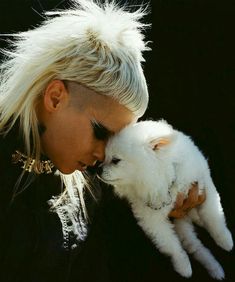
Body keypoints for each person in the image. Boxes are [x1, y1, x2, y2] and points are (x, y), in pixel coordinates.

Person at [0, 1, 205, 281]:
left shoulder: (93, 187)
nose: (105, 153)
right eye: (101, 132)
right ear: (55, 97)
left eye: (118, 140)